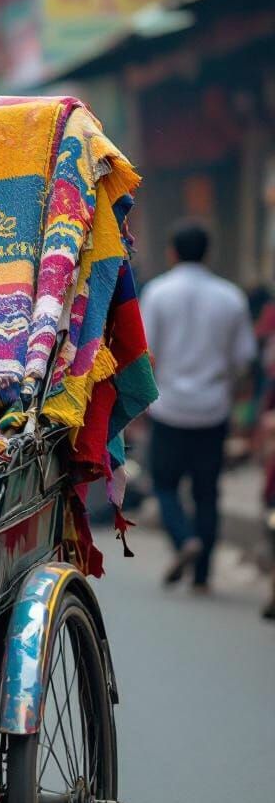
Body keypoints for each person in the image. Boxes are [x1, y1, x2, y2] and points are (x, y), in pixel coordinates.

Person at [140, 220, 256, 593]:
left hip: (169, 406)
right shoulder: (231, 297)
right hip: (213, 410)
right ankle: (203, 575)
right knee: (207, 492)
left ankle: (183, 538)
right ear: (209, 253)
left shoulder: (157, 293)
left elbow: (145, 353)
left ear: (172, 252)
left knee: (164, 484)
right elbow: (244, 358)